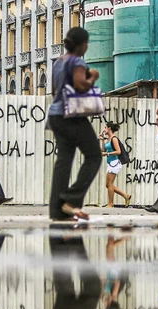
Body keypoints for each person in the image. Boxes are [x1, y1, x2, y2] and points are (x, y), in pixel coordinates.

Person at [47, 27, 102, 221]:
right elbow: (80, 85)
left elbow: (55, 89)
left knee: (64, 161)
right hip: (72, 115)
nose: (87, 47)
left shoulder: (58, 62)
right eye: (86, 44)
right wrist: (93, 77)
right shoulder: (77, 61)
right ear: (81, 45)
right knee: (94, 155)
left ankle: (57, 211)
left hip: (55, 115)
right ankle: (71, 199)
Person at [99, 122, 131, 208]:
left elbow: (118, 151)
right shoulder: (108, 139)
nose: (104, 130)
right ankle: (126, 196)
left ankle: (110, 203)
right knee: (108, 184)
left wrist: (107, 154)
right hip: (110, 163)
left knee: (109, 184)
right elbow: (103, 150)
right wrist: (102, 140)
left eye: (105, 128)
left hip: (115, 162)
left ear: (109, 128)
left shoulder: (114, 139)